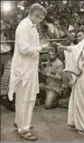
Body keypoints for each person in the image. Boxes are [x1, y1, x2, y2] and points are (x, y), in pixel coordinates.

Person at [8, 3, 47, 141]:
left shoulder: (31, 26)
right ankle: (23, 129)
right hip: (24, 70)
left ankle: (20, 121)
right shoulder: (24, 27)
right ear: (35, 15)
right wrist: (40, 48)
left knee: (27, 97)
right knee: (26, 99)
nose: (41, 21)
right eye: (41, 18)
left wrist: (38, 48)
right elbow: (23, 49)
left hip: (29, 68)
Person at [40, 43, 63, 109]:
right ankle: (44, 98)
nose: (50, 54)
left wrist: (47, 74)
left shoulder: (59, 63)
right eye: (49, 52)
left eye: (52, 51)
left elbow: (59, 77)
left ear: (56, 53)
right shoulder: (47, 61)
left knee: (47, 106)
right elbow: (43, 73)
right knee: (35, 86)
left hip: (54, 88)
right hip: (46, 85)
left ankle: (57, 99)